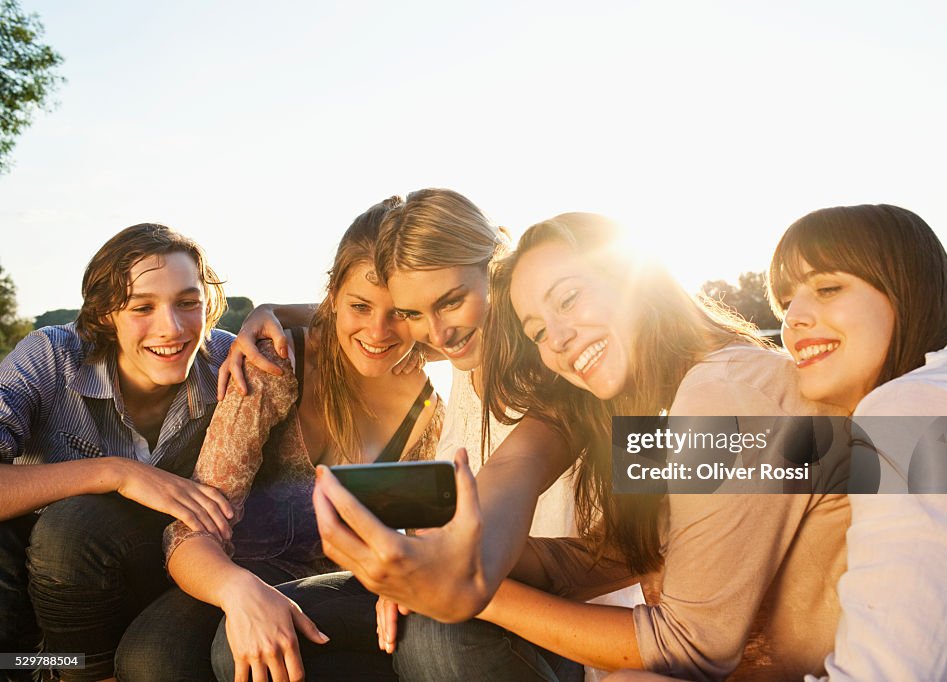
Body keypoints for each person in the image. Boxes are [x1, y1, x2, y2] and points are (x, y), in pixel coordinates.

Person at [315, 212, 851, 680]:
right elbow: (611, 558)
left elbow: (691, 647)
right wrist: (441, 556)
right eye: (539, 331)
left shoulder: (726, 390)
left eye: (569, 298)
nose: (560, 339)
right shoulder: (666, 401)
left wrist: (479, 594)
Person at [211, 188, 586, 682]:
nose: (437, 332)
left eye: (451, 302)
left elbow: (517, 478)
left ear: (497, 272)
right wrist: (275, 313)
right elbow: (370, 323)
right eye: (416, 315)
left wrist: (441, 572)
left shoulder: (565, 373)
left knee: (432, 641)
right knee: (241, 646)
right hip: (486, 576)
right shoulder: (453, 352)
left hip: (547, 601)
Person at [116, 197, 444, 682]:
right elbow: (193, 529)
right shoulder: (275, 363)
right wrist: (239, 591)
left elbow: (415, 536)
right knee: (151, 660)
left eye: (399, 312)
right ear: (333, 295)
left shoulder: (429, 406)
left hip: (344, 585)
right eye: (359, 306)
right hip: (234, 567)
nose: (378, 331)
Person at [765, 203, 947, 681]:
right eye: (785, 304)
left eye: (826, 288)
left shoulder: (916, 406)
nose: (793, 318)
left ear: (906, 294)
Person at [0, 223, 235, 682]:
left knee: (80, 530)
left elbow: (343, 330)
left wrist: (274, 311)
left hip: (162, 561)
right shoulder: (50, 357)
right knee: (65, 525)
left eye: (189, 303)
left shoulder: (227, 363)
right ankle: (53, 671)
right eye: (141, 307)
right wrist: (115, 472)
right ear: (107, 313)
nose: (172, 327)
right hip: (40, 574)